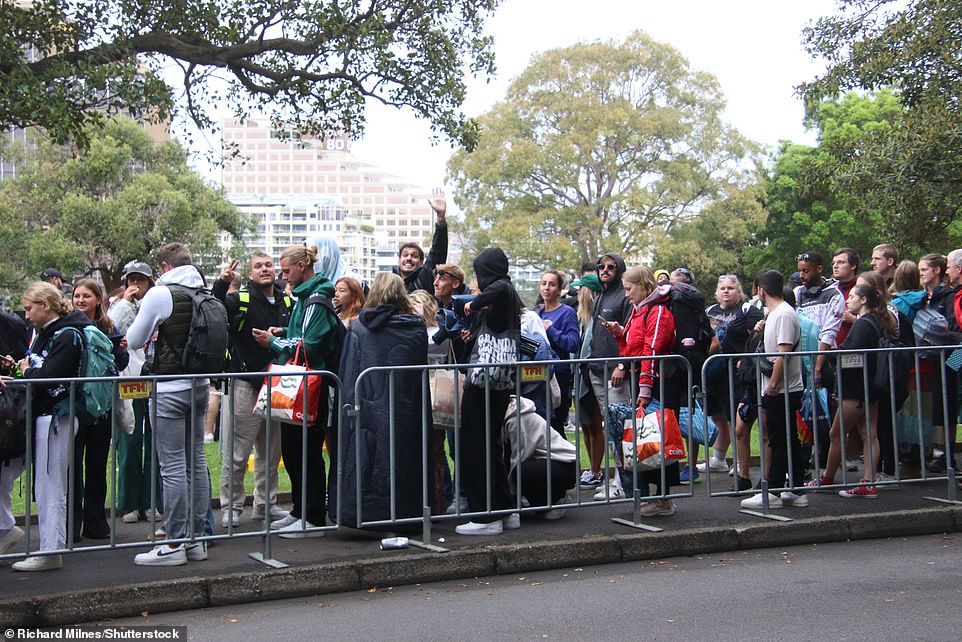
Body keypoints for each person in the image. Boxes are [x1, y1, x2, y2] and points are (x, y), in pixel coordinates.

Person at [125, 243, 212, 566]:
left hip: (169, 386)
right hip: (201, 385)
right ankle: (197, 540)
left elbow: (134, 339)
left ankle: (174, 543)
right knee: (196, 461)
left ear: (163, 266)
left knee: (173, 466)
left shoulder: (162, 294)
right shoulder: (204, 292)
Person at [253, 244, 341, 538]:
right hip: (301, 386)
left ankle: (313, 517)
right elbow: (303, 338)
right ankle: (300, 511)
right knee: (293, 450)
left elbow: (310, 345)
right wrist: (284, 334)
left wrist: (274, 343)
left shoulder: (314, 301)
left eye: (287, 270)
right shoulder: (307, 299)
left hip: (310, 388)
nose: (283, 275)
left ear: (302, 267)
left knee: (306, 452)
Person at [331, 273, 428, 527]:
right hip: (405, 411)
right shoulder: (415, 327)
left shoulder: (360, 326)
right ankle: (405, 515)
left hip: (367, 409)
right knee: (402, 462)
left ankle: (361, 515)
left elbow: (350, 371)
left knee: (366, 461)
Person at [4, 282, 87, 571]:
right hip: (43, 417)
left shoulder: (66, 335)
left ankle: (51, 549)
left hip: (56, 417)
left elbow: (49, 376)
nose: (26, 316)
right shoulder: (47, 334)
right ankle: (9, 530)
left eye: (29, 308)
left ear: (45, 305)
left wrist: (27, 371)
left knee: (51, 485)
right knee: (23, 476)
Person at [212, 253, 292, 528]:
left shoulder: (287, 301)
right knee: (237, 452)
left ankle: (265, 505)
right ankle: (231, 506)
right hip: (246, 383)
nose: (265, 269)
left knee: (270, 453)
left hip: (277, 384)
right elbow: (215, 308)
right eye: (258, 266)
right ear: (249, 273)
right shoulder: (240, 299)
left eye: (268, 265)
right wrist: (222, 284)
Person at [601, 266, 680, 516]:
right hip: (644, 381)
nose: (626, 295)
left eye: (629, 289)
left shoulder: (657, 311)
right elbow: (632, 350)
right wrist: (619, 333)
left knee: (659, 438)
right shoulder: (640, 311)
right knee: (645, 438)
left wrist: (645, 388)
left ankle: (664, 498)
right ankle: (652, 495)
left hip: (660, 383)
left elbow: (652, 351)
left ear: (642, 285)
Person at [455, 248, 522, 536]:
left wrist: (474, 303)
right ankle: (505, 509)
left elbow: (497, 289)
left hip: (483, 381)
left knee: (473, 444)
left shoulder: (502, 289)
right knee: (491, 444)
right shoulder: (507, 296)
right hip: (499, 381)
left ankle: (485, 515)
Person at [806, 284, 894, 498]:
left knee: (836, 433)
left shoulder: (863, 324)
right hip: (869, 387)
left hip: (856, 390)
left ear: (864, 300)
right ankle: (868, 481)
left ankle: (828, 477)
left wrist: (830, 354)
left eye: (853, 296)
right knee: (869, 434)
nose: (848, 300)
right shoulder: (874, 322)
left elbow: (848, 353)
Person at [741, 269, 807, 510]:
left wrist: (773, 384)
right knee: (787, 438)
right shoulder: (776, 314)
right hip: (780, 386)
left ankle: (776, 490)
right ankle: (795, 488)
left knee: (779, 439)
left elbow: (783, 353)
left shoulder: (782, 315)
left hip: (782, 388)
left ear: (761, 290)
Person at [69, 278, 128, 541]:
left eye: (86, 296)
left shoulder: (107, 327)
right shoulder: (67, 326)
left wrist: (121, 349)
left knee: (96, 467)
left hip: (101, 407)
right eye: (77, 296)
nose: (80, 301)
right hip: (74, 406)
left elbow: (118, 363)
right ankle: (71, 525)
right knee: (71, 469)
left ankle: (95, 523)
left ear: (98, 300)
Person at [108, 261, 163, 526]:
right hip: (130, 376)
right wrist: (125, 303)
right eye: (132, 280)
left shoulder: (160, 300)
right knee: (130, 439)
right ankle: (129, 502)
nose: (136, 285)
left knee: (156, 440)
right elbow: (113, 328)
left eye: (141, 280)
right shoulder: (118, 306)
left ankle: (153, 501)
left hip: (155, 375)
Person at [697, 275, 763, 480]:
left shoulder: (748, 311)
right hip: (711, 371)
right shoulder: (709, 312)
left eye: (731, 288)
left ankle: (740, 462)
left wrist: (746, 359)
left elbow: (758, 337)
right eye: (723, 288)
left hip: (736, 372)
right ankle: (718, 459)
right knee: (717, 415)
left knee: (735, 416)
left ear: (739, 291)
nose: (726, 291)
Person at [578, 254, 631, 489]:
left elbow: (630, 336)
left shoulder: (624, 296)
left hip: (616, 374)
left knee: (620, 428)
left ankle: (623, 480)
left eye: (611, 267)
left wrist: (622, 365)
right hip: (597, 371)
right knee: (609, 428)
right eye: (602, 267)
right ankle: (616, 476)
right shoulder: (600, 295)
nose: (605, 270)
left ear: (619, 269)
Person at [917, 253, 961, 474]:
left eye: (924, 270)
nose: (921, 274)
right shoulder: (923, 297)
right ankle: (938, 451)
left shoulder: (949, 296)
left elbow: (955, 330)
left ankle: (947, 453)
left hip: (953, 355)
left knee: (948, 398)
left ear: (937, 270)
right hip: (931, 358)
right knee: (936, 402)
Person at [501, 395, 577, 519]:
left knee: (521, 472)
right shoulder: (507, 416)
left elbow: (520, 456)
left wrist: (509, 495)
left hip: (565, 462)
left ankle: (556, 499)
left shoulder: (517, 419)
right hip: (548, 460)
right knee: (519, 471)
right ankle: (540, 502)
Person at [536, 270, 580, 437]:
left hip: (558, 374)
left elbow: (573, 344)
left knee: (556, 423)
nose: (547, 288)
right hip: (537, 374)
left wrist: (551, 330)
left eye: (552, 284)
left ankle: (563, 461)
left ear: (559, 289)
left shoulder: (567, 312)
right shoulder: (536, 312)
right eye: (544, 283)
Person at [393, 188, 448, 293]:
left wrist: (441, 217)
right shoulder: (389, 283)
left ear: (422, 262)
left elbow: (438, 251)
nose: (409, 258)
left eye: (414, 256)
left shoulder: (424, 278)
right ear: (399, 260)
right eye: (405, 255)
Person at [833, 248, 860, 346]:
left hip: (855, 346)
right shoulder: (830, 290)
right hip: (830, 347)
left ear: (853, 266)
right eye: (834, 263)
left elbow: (877, 319)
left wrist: (854, 319)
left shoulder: (862, 288)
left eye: (840, 262)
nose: (835, 266)